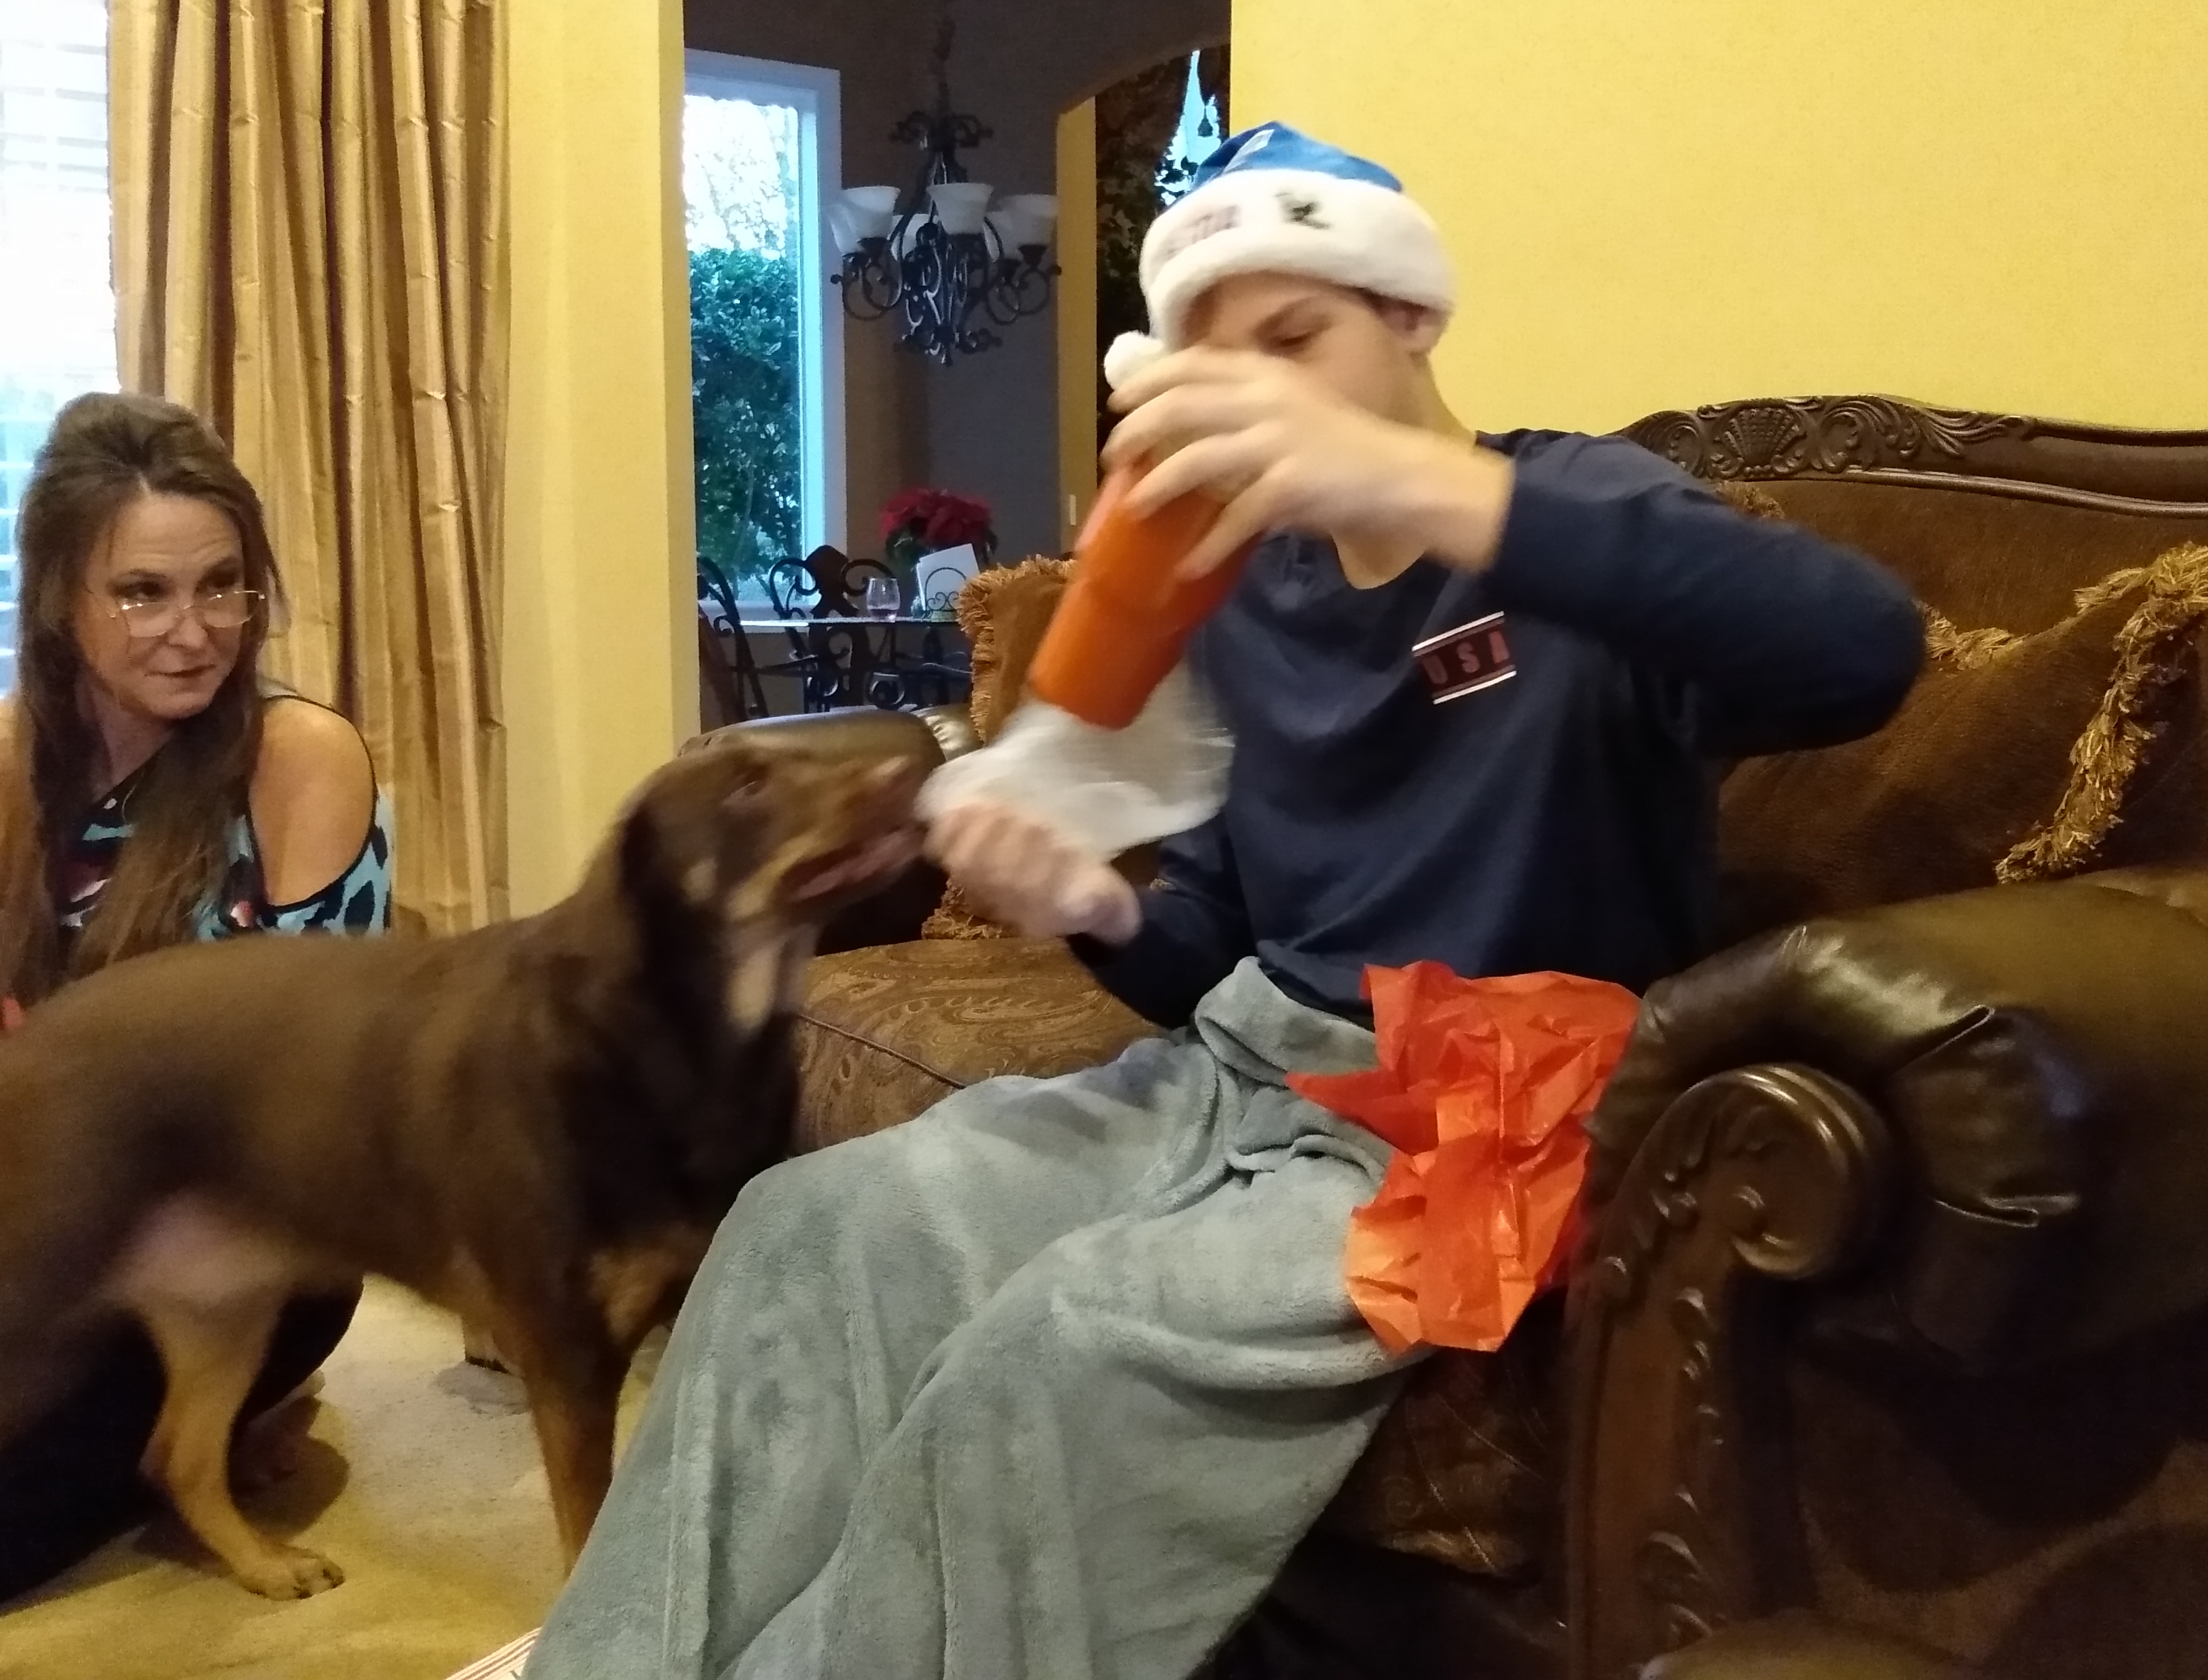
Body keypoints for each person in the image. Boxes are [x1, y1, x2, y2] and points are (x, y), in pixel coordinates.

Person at [523, 126, 1924, 1679]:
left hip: (1486, 1119)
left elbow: (1861, 649)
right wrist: (1089, 905)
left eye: (1294, 339)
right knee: (815, 1226)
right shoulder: (1250, 588)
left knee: (1066, 1347)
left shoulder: (1575, 513)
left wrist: (1422, 487)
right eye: (1217, 361)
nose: (1258, 397)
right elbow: (1211, 950)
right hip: (1243, 1067)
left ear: (1410, 316)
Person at [0, 391, 392, 1634]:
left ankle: (205, 1428)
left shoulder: (299, 761)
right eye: (143, 593)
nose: (193, 632)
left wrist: (20, 1302)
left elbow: (308, 1108)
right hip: (34, 1211)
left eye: (223, 588)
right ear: (62, 598)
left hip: (239, 1251)